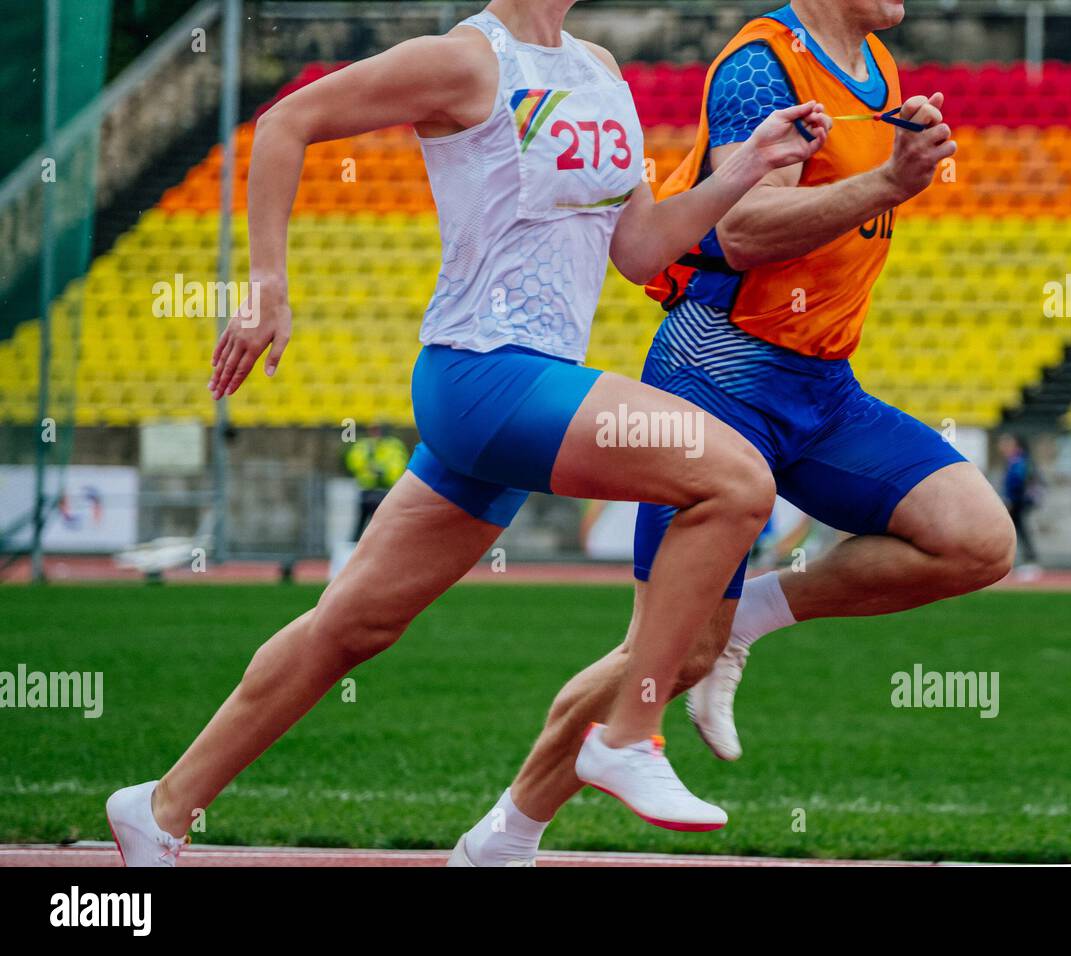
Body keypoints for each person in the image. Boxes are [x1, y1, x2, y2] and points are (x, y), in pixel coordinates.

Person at [104, 0, 831, 866]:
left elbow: (639, 250)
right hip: (482, 373)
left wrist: (745, 167)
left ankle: (160, 807)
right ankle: (629, 736)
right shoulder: (463, 61)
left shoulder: (597, 67)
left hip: (527, 390)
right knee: (737, 481)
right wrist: (267, 285)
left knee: (351, 627)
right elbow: (287, 122)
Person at [454, 0, 1016, 867]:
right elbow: (744, 229)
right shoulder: (761, 64)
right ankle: (508, 832)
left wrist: (900, 160)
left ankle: (751, 615)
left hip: (821, 385)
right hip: (719, 373)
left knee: (976, 540)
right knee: (668, 653)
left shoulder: (875, 62)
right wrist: (887, 184)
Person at [345, 425, 408, 539]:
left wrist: (383, 472)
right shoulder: (363, 445)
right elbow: (353, 462)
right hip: (367, 490)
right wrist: (368, 467)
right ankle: (355, 546)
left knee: (382, 523)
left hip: (383, 491)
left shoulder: (393, 446)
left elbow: (398, 465)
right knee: (361, 523)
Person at [998, 433, 1041, 578]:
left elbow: (1018, 483)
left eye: (1006, 443)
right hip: (1017, 501)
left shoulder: (1019, 461)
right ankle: (1025, 562)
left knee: (1020, 530)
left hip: (1019, 502)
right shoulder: (1015, 461)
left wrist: (1010, 500)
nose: (1002, 447)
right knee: (1018, 531)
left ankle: (1031, 562)